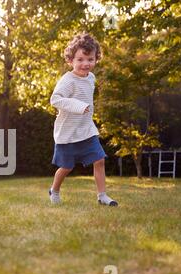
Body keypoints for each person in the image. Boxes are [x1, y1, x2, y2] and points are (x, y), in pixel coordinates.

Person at [49, 32, 118, 206]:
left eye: (90, 59)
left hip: (86, 130)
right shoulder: (67, 80)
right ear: (70, 60)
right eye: (80, 59)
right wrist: (78, 106)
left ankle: (102, 196)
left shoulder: (91, 78)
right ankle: (54, 190)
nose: (85, 64)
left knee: (100, 160)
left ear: (96, 59)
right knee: (66, 167)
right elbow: (55, 99)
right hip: (67, 133)